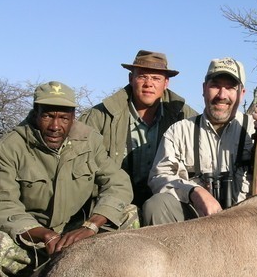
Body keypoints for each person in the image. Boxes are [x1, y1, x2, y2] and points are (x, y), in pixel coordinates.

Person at [0, 81, 136, 277]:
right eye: (48, 116)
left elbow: (118, 184)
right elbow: (0, 204)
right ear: (35, 114)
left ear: (72, 118)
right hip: (34, 240)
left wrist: (91, 226)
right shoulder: (11, 146)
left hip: (78, 235)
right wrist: (43, 235)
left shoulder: (90, 141)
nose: (55, 126)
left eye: (63, 118)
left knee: (129, 214)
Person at [143, 57, 257, 225]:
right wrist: (194, 192)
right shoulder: (179, 131)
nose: (222, 95)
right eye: (215, 85)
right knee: (156, 205)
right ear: (204, 89)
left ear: (242, 93)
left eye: (230, 87)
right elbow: (159, 177)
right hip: (195, 224)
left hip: (248, 224)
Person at [80, 50, 197, 208]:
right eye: (142, 76)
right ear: (131, 78)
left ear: (166, 83)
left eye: (156, 78)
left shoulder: (186, 117)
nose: (149, 83)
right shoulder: (100, 115)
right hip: (110, 202)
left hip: (164, 204)